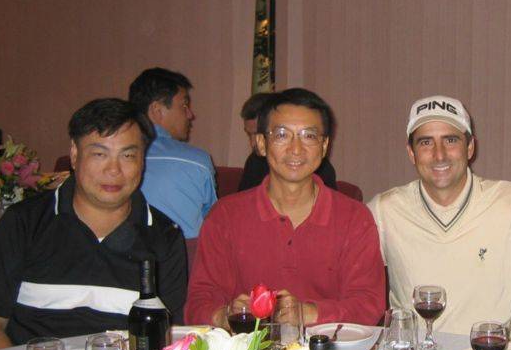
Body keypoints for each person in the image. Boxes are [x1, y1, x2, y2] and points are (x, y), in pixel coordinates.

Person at [0, 98, 188, 350]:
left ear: (143, 161)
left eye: (128, 155)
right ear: (74, 154)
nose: (114, 170)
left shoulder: (165, 237)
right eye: (99, 154)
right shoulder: (23, 223)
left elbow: (165, 345)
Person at [368, 96, 511, 344]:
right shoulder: (385, 210)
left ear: (470, 147)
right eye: (426, 142)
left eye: (451, 140)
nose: (439, 154)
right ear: (411, 153)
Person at [185, 88, 384, 328]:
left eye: (308, 136)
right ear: (261, 143)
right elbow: (198, 304)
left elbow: (368, 305)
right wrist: (226, 315)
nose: (295, 149)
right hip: (249, 349)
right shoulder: (225, 216)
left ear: (324, 146)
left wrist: (308, 313)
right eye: (282, 135)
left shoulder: (354, 217)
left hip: (330, 348)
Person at [128, 67, 216, 237]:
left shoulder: (113, 159)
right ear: (157, 111)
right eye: (184, 106)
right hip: (185, 251)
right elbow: (214, 220)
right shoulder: (197, 162)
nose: (190, 115)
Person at [237, 92, 338, 192]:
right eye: (249, 134)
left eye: (308, 136)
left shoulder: (318, 167)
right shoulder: (254, 162)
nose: (253, 143)